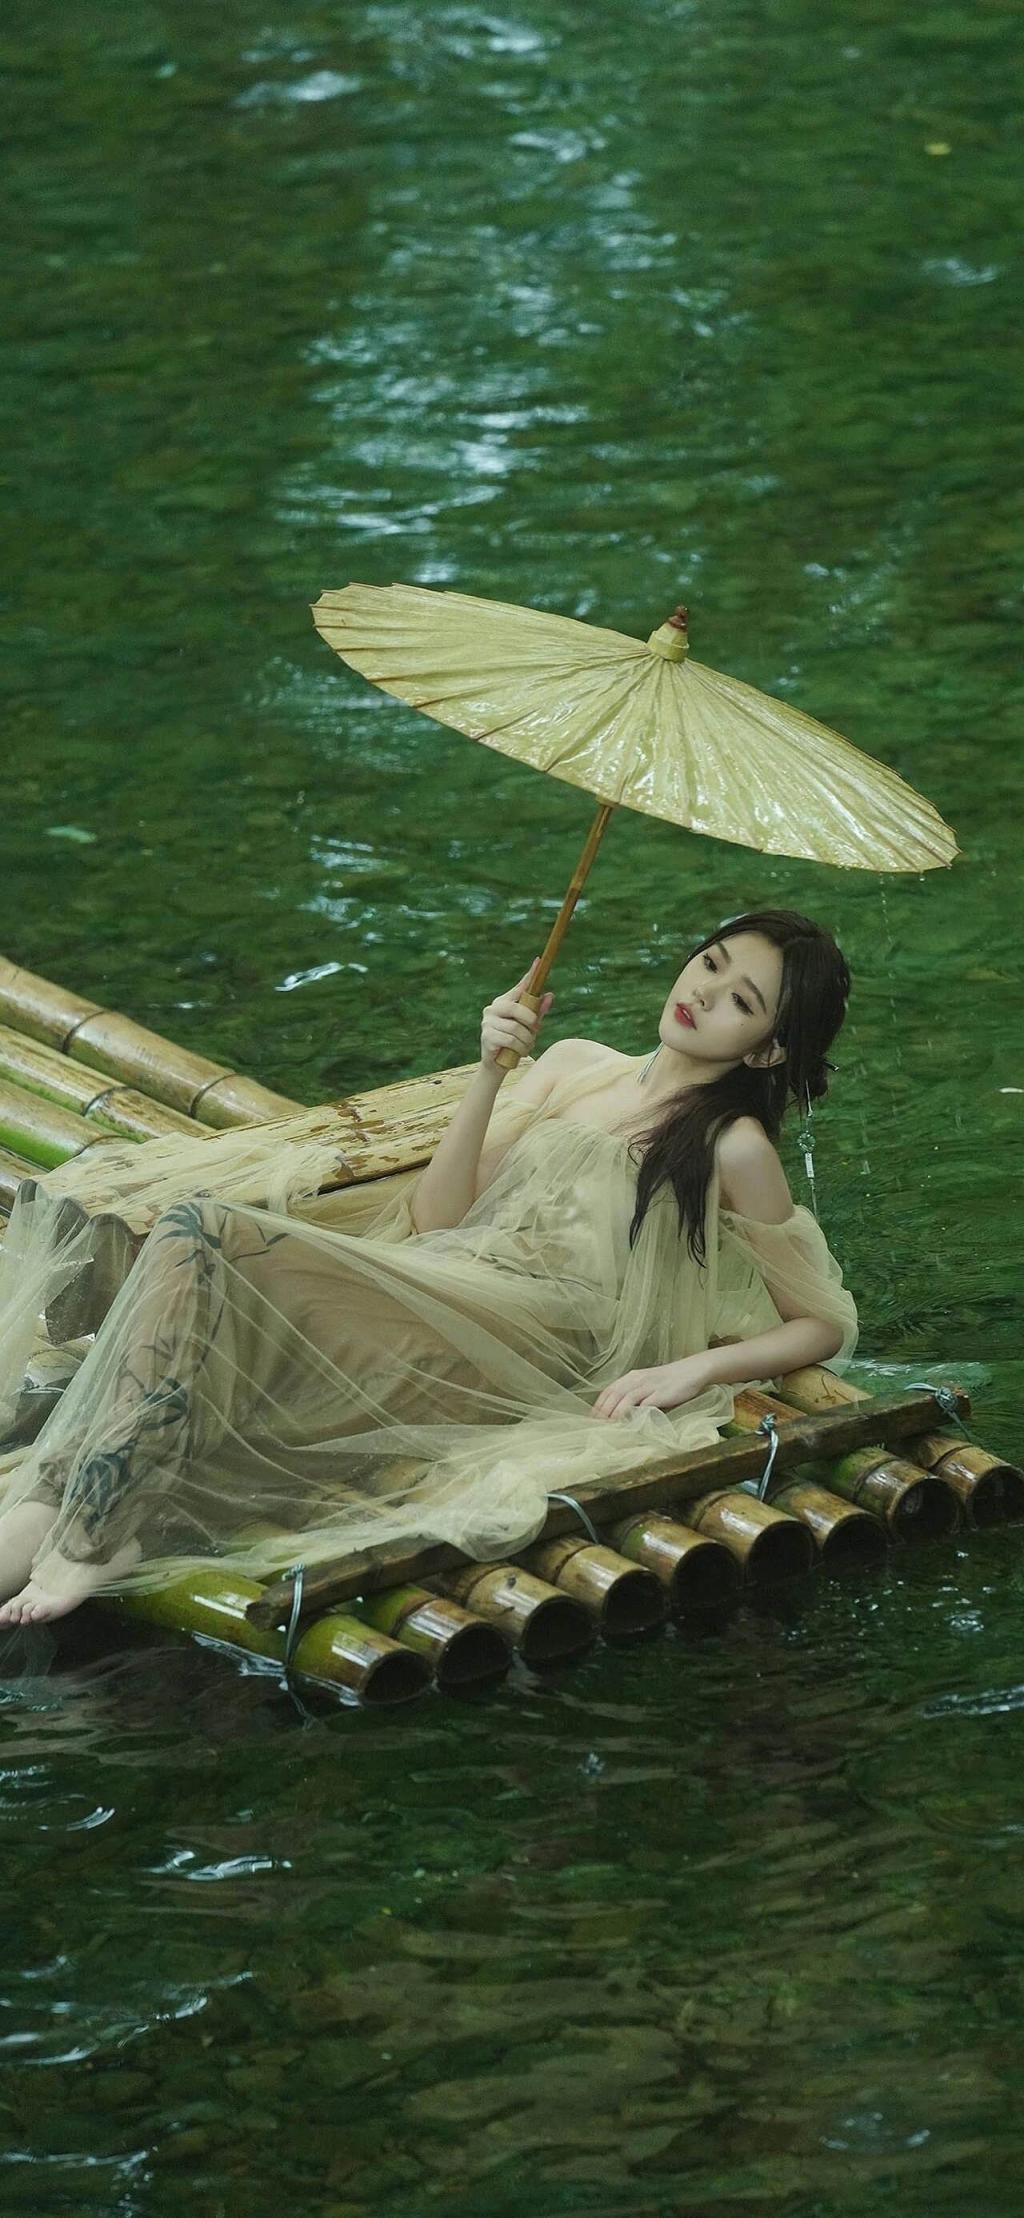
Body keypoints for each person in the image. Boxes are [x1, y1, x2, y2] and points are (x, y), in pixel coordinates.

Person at [0, 908, 857, 1626]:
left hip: (532, 1344)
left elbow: (817, 1322)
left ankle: (92, 1523)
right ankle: (85, 1516)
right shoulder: (575, 1065)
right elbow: (435, 1218)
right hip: (447, 1282)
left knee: (206, 1236)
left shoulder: (734, 1146)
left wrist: (692, 1369)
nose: (702, 992)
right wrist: (490, 1070)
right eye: (709, 963)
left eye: (739, 1000)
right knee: (193, 1246)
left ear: (766, 1052)